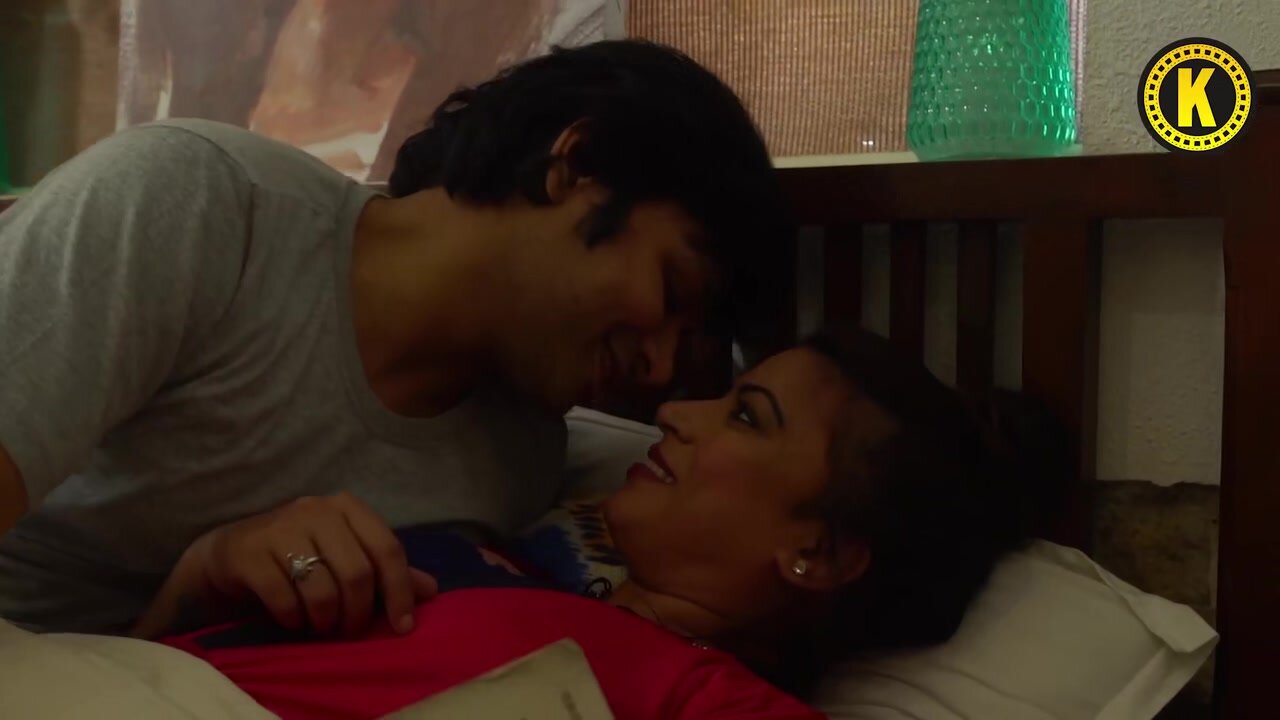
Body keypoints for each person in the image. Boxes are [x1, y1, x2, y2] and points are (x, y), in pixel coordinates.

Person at [0, 40, 787, 635]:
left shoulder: (513, 462)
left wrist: (206, 579)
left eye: (686, 348)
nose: (656, 366)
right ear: (575, 164)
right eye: (671, 290)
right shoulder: (201, 207)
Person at [138, 331, 1070, 719]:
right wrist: (209, 568)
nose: (676, 412)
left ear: (816, 552)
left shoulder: (702, 697)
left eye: (747, 417)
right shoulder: (499, 551)